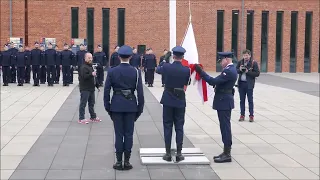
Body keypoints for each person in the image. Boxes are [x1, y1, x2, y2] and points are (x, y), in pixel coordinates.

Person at [104, 45, 144, 170]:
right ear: (131, 57)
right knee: (128, 134)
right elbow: (140, 93)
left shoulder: (112, 71)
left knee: (119, 133)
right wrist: (139, 109)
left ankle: (118, 161)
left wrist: (108, 107)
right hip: (131, 106)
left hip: (116, 106)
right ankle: (127, 161)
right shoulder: (136, 72)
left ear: (119, 56)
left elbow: (106, 91)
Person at [194, 52, 237, 163]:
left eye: (221, 61)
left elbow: (213, 81)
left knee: (225, 127)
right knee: (224, 126)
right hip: (224, 101)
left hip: (224, 102)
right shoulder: (229, 69)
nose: (220, 63)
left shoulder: (229, 71)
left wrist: (201, 72)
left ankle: (227, 154)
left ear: (226, 59)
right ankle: (226, 151)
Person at [156, 46, 190, 162]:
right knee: (179, 126)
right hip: (180, 99)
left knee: (167, 126)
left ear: (173, 56)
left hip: (168, 99)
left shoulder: (166, 67)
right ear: (182, 57)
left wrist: (165, 60)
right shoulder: (186, 70)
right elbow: (187, 83)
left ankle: (167, 153)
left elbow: (157, 69)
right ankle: (179, 153)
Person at [236, 49, 260, 122]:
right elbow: (235, 70)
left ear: (250, 55)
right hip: (241, 84)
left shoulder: (253, 63)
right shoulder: (240, 62)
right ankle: (242, 115)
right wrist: (240, 70)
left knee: (250, 100)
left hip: (249, 84)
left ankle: (251, 116)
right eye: (244, 55)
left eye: (247, 55)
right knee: (241, 100)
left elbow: (257, 74)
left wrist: (247, 72)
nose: (245, 57)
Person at [78, 52, 102, 124]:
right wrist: (91, 74)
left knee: (92, 103)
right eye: (89, 58)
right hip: (85, 88)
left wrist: (97, 86)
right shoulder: (83, 67)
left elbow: (94, 78)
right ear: (85, 58)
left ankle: (93, 117)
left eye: (91, 58)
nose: (90, 59)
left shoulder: (91, 66)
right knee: (83, 103)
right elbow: (84, 76)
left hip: (91, 88)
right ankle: (81, 118)